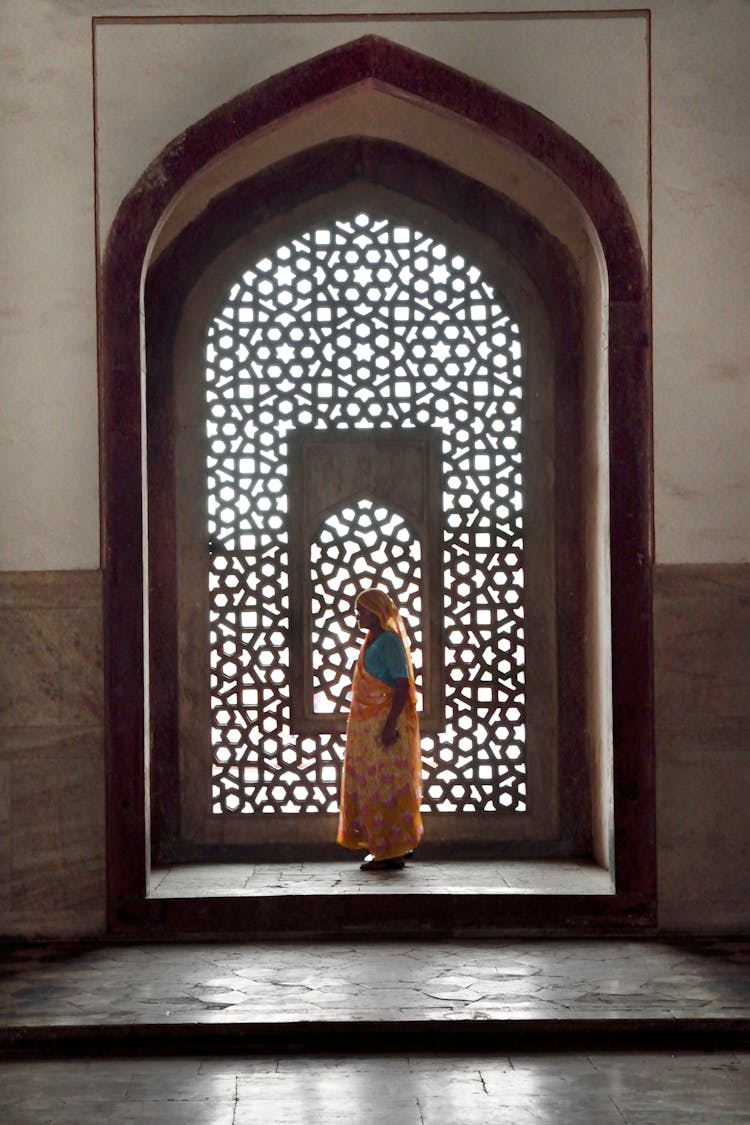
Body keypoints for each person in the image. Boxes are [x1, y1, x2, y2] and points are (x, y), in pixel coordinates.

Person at [337, 587, 423, 871]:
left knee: (385, 786)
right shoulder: (372, 640)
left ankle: (391, 852)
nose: (357, 615)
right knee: (371, 786)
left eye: (361, 610)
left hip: (384, 729)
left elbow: (401, 684)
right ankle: (388, 846)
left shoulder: (388, 641)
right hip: (367, 730)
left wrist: (389, 725)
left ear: (375, 611)